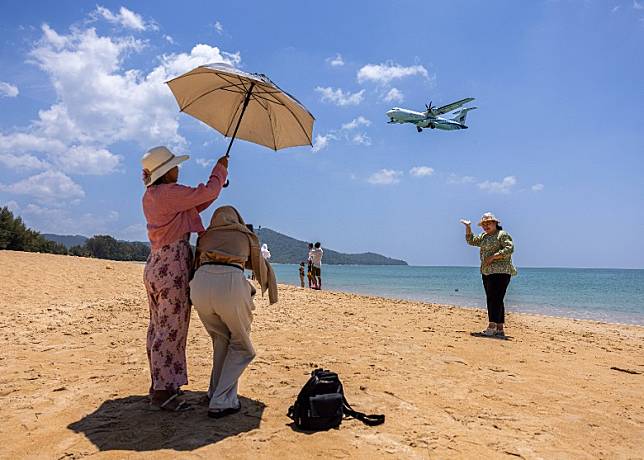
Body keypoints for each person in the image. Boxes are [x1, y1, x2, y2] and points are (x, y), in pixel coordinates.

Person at [141, 146, 228, 411]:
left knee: (158, 326)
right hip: (172, 267)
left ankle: (161, 383)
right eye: (175, 167)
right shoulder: (169, 193)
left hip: (156, 263)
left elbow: (199, 201)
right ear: (166, 172)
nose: (178, 170)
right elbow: (206, 194)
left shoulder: (153, 195)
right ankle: (163, 393)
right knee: (171, 328)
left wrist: (217, 183)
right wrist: (220, 169)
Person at [190, 206, 277, 418]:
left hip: (200, 285)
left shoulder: (205, 235)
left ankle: (214, 392)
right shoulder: (244, 235)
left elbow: (195, 261)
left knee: (220, 340)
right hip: (229, 285)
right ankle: (221, 400)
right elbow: (255, 263)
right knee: (243, 347)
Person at [461, 212, 517, 337]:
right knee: (495, 299)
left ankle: (492, 326)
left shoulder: (502, 235)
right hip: (487, 271)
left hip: (501, 271)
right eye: (483, 224)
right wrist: (468, 227)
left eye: (488, 223)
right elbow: (471, 241)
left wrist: (493, 257)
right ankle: (499, 328)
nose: (486, 226)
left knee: (495, 299)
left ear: (495, 223)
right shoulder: (484, 236)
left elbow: (510, 248)